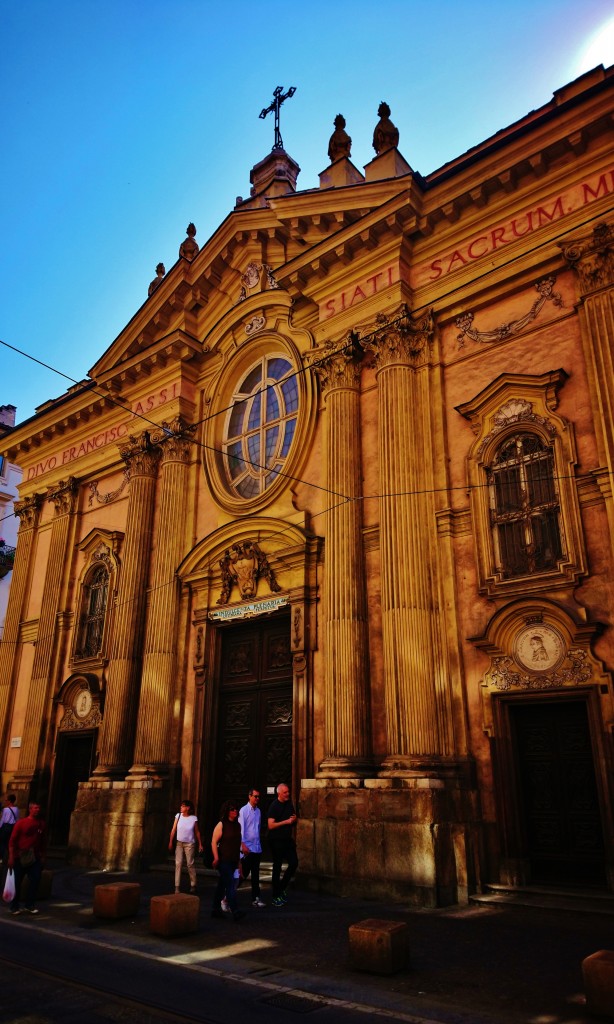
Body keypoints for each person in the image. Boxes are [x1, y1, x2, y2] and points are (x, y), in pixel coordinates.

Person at [7, 801, 47, 916]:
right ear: (30, 809)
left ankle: (29, 905)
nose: (37, 810)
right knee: (17, 882)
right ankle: (14, 906)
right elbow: (12, 841)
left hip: (34, 856)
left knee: (36, 879)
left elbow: (43, 841)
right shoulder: (21, 823)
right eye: (35, 808)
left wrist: (43, 856)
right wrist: (11, 856)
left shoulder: (41, 824)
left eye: (39, 808)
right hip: (20, 856)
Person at [210, 800, 245, 922]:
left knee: (222, 885)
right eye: (232, 809)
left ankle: (215, 909)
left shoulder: (238, 825)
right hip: (223, 860)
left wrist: (239, 863)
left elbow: (237, 845)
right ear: (227, 811)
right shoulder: (222, 824)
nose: (235, 811)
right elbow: (214, 841)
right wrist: (216, 857)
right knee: (230, 885)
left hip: (233, 860)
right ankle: (235, 911)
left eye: (236, 809)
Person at [267, 783, 298, 908]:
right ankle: (275, 896)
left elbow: (293, 819)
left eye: (288, 792)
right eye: (285, 792)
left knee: (294, 862)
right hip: (276, 840)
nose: (288, 794)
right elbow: (270, 825)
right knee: (277, 867)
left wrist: (294, 820)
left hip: (287, 840)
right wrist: (286, 822)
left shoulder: (289, 804)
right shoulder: (274, 806)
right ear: (279, 793)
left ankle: (282, 888)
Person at [168, 800, 203, 894]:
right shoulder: (178, 816)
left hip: (190, 844)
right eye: (181, 805)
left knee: (190, 864)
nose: (181, 807)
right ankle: (177, 887)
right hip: (179, 843)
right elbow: (173, 829)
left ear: (188, 808)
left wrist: (200, 844)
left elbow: (197, 832)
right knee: (178, 863)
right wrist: (171, 841)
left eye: (183, 806)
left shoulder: (193, 818)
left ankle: (193, 884)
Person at [238, 788, 265, 907]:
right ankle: (227, 896)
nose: (257, 799)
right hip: (247, 848)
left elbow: (257, 829)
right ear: (249, 796)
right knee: (242, 874)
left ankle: (256, 898)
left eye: (259, 797)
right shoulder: (243, 811)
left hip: (257, 848)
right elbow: (241, 830)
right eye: (255, 796)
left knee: (256, 875)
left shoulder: (258, 811)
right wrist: (242, 846)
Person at [0, 794, 19, 865]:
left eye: (6, 800)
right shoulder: (17, 809)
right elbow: (17, 819)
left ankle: (2, 858)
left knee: (3, 843)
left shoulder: (5, 809)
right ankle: (8, 857)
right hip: (13, 827)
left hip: (5, 827)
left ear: (10, 801)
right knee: (10, 843)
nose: (5, 801)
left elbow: (3, 820)